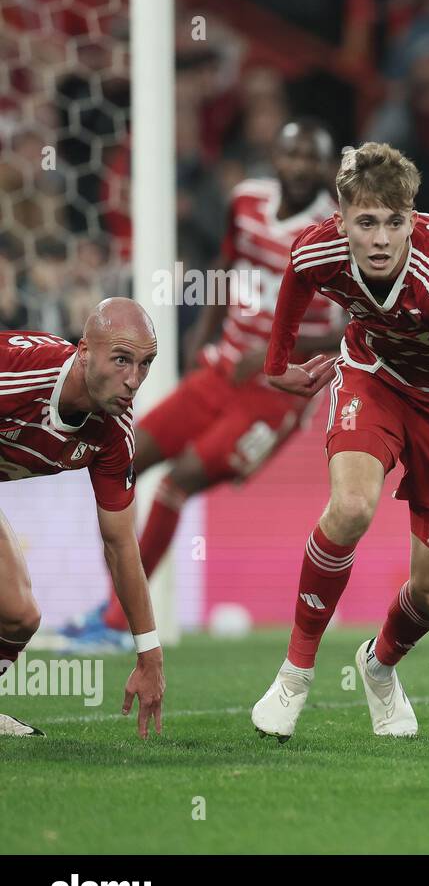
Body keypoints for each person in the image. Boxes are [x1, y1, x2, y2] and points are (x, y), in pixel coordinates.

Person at [61, 119, 344, 652]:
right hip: (221, 369)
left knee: (178, 482)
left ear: (325, 167)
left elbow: (349, 323)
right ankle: (110, 608)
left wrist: (277, 352)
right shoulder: (246, 202)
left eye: (312, 156)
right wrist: (203, 338)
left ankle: (121, 626)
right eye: (293, 154)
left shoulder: (336, 232)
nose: (301, 166)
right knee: (123, 458)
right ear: (275, 158)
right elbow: (226, 263)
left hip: (276, 394)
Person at [250, 141, 429, 741]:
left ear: (413, 218)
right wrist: (277, 362)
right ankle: (295, 672)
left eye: (396, 222)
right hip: (375, 376)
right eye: (367, 223)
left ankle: (380, 665)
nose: (383, 238)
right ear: (343, 222)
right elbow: (295, 280)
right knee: (352, 506)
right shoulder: (319, 247)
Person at [0, 299, 165, 738]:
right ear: (84, 351)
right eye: (121, 360)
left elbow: (120, 543)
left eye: (146, 364)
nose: (134, 380)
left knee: (18, 617)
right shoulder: (18, 372)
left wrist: (149, 655)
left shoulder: (113, 434)